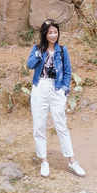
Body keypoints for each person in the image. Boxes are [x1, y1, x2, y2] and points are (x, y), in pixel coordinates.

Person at [27, 19, 86, 178]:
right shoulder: (37, 48)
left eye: (55, 32)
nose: (53, 35)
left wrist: (65, 91)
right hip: (40, 88)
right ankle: (44, 161)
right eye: (50, 32)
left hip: (57, 88)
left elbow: (67, 71)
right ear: (44, 34)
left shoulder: (62, 50)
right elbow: (30, 64)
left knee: (61, 125)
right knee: (39, 126)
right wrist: (39, 54)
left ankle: (72, 161)